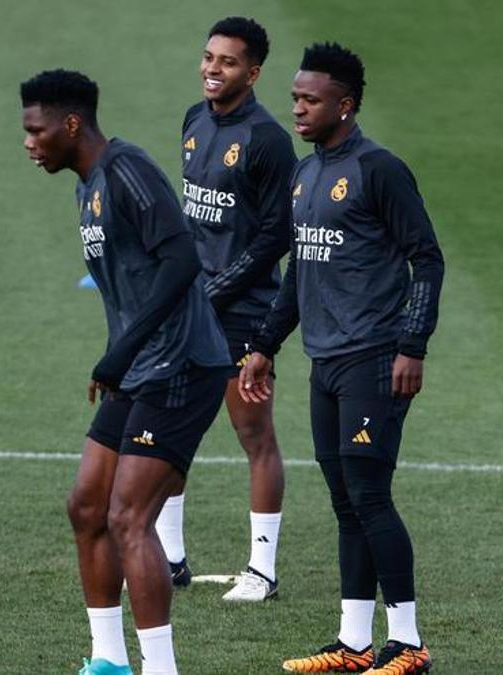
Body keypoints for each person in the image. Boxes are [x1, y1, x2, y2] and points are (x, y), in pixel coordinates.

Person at [238, 43, 444, 675]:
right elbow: (300, 271)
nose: (296, 108)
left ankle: (407, 644)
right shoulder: (305, 174)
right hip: (324, 361)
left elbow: (427, 259)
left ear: (345, 106)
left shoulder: (380, 169)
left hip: (375, 359)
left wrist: (413, 346)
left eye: (310, 99)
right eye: (295, 97)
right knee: (344, 500)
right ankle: (354, 644)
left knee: (369, 494)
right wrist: (263, 347)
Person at [20, 69, 233, 675]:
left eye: (36, 131)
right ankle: (108, 661)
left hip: (183, 365)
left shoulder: (127, 171)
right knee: (87, 506)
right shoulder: (85, 187)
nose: (29, 144)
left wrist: (121, 350)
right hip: (140, 366)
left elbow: (182, 259)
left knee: (128, 516)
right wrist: (123, 354)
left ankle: (161, 669)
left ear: (70, 124)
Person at [157, 15, 297, 602]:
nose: (213, 68)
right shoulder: (194, 120)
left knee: (252, 433)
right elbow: (195, 218)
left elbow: (278, 234)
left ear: (254, 71)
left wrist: (217, 292)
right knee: (165, 429)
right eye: (209, 57)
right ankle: (169, 557)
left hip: (244, 311)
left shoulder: (266, 139)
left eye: (228, 61)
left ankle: (261, 570)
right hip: (194, 305)